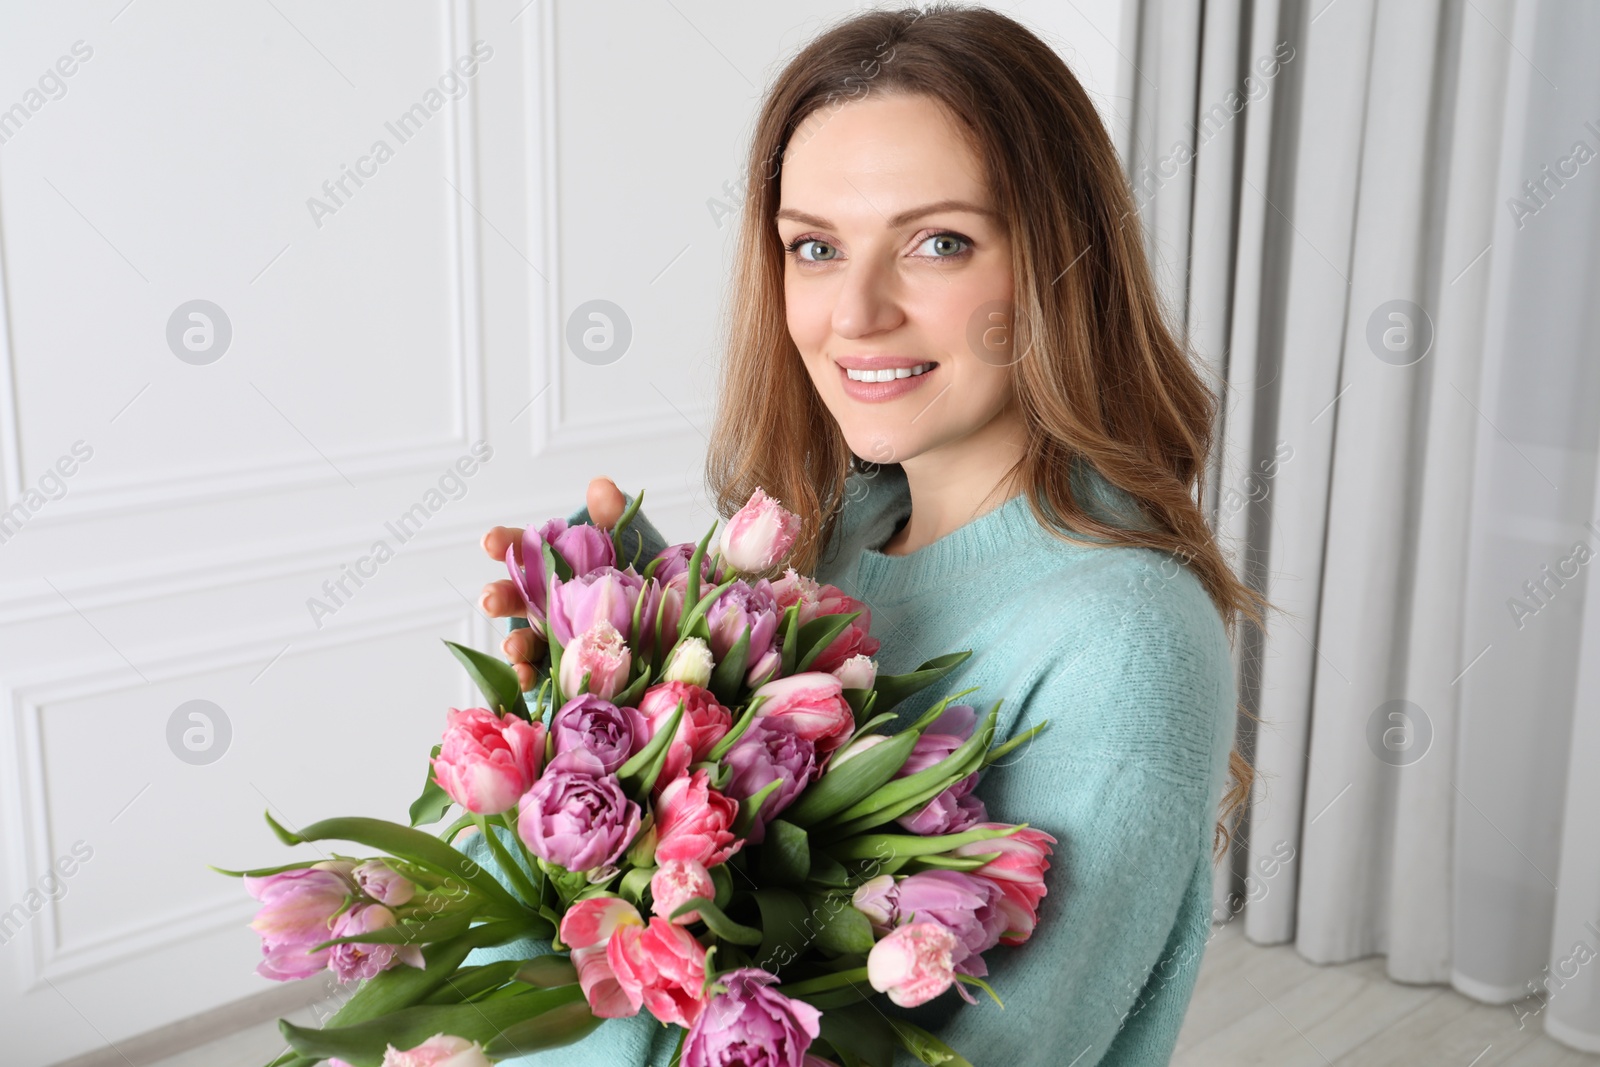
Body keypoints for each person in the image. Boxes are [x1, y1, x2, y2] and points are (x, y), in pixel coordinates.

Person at [462, 5, 1261, 1064]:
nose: (857, 311)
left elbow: (1003, 1052)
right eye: (815, 247)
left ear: (1063, 265)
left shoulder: (1127, 640)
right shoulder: (843, 528)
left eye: (939, 242)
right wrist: (616, 661)